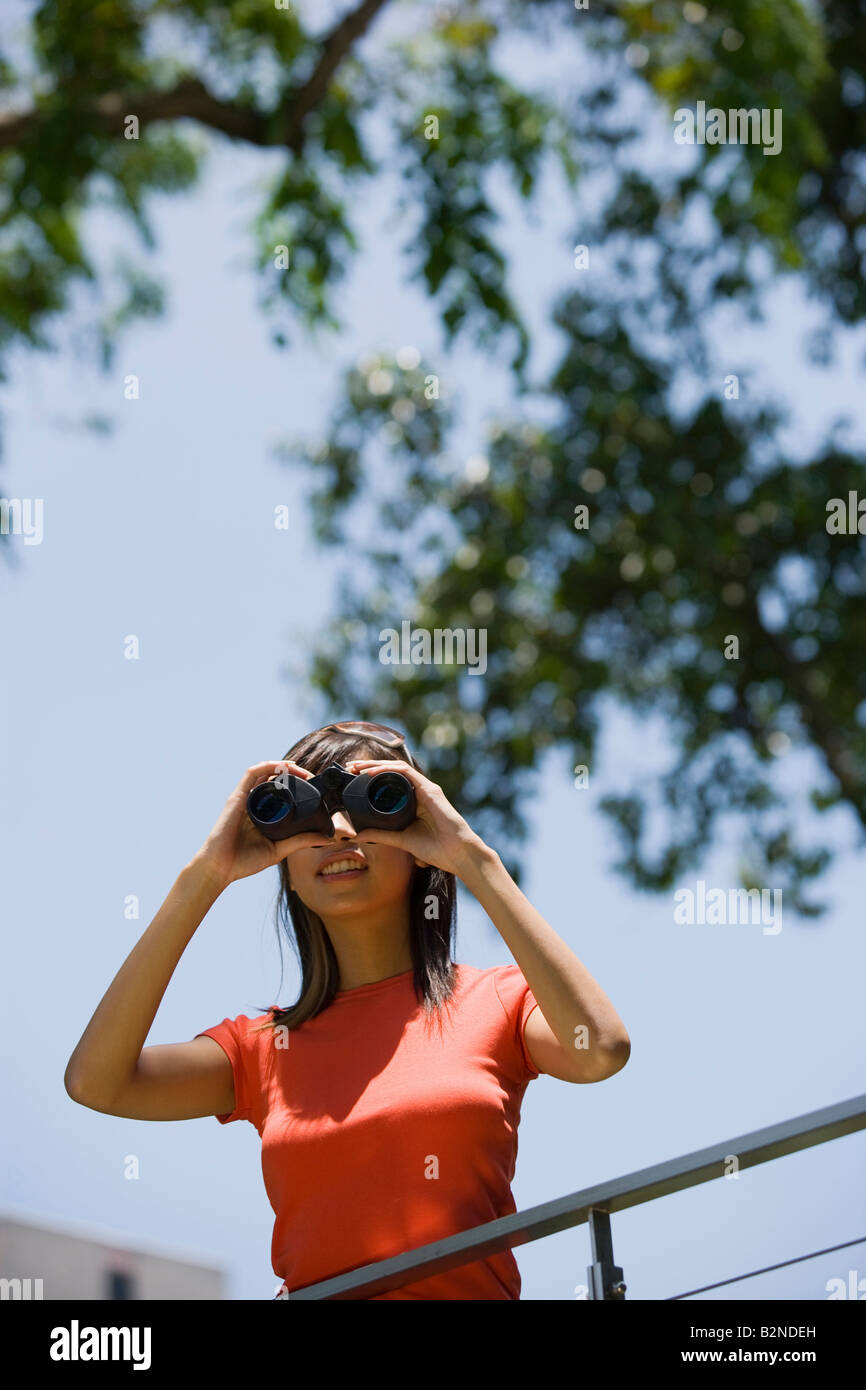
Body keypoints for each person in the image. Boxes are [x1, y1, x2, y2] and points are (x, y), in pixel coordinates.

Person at [64, 719, 630, 1300]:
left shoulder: (497, 1002)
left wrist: (473, 859)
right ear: (282, 867)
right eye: (307, 814)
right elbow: (96, 1084)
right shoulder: (264, 1047)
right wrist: (205, 876)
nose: (338, 832)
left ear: (419, 841)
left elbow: (602, 1050)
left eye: (370, 806)